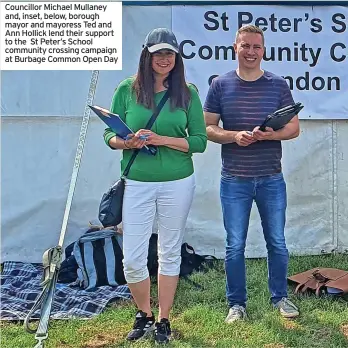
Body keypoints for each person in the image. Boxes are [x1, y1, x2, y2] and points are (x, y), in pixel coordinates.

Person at [103, 27, 207, 344]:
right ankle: (144, 313)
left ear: (176, 57)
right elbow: (109, 136)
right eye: (158, 53)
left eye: (169, 53)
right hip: (137, 183)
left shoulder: (187, 92)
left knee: (169, 251)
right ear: (146, 55)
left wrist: (163, 140)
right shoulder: (127, 90)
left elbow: (200, 142)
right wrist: (125, 142)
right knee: (132, 258)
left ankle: (163, 318)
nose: (164, 59)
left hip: (178, 182)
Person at [203, 24, 301, 323]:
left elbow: (294, 128)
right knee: (235, 244)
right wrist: (234, 136)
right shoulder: (220, 85)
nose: (251, 52)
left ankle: (281, 297)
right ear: (235, 47)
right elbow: (207, 129)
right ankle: (236, 304)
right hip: (234, 178)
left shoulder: (278, 85)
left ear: (264, 49)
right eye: (245, 45)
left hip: (271, 176)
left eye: (256, 46)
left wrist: (266, 136)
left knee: (278, 242)